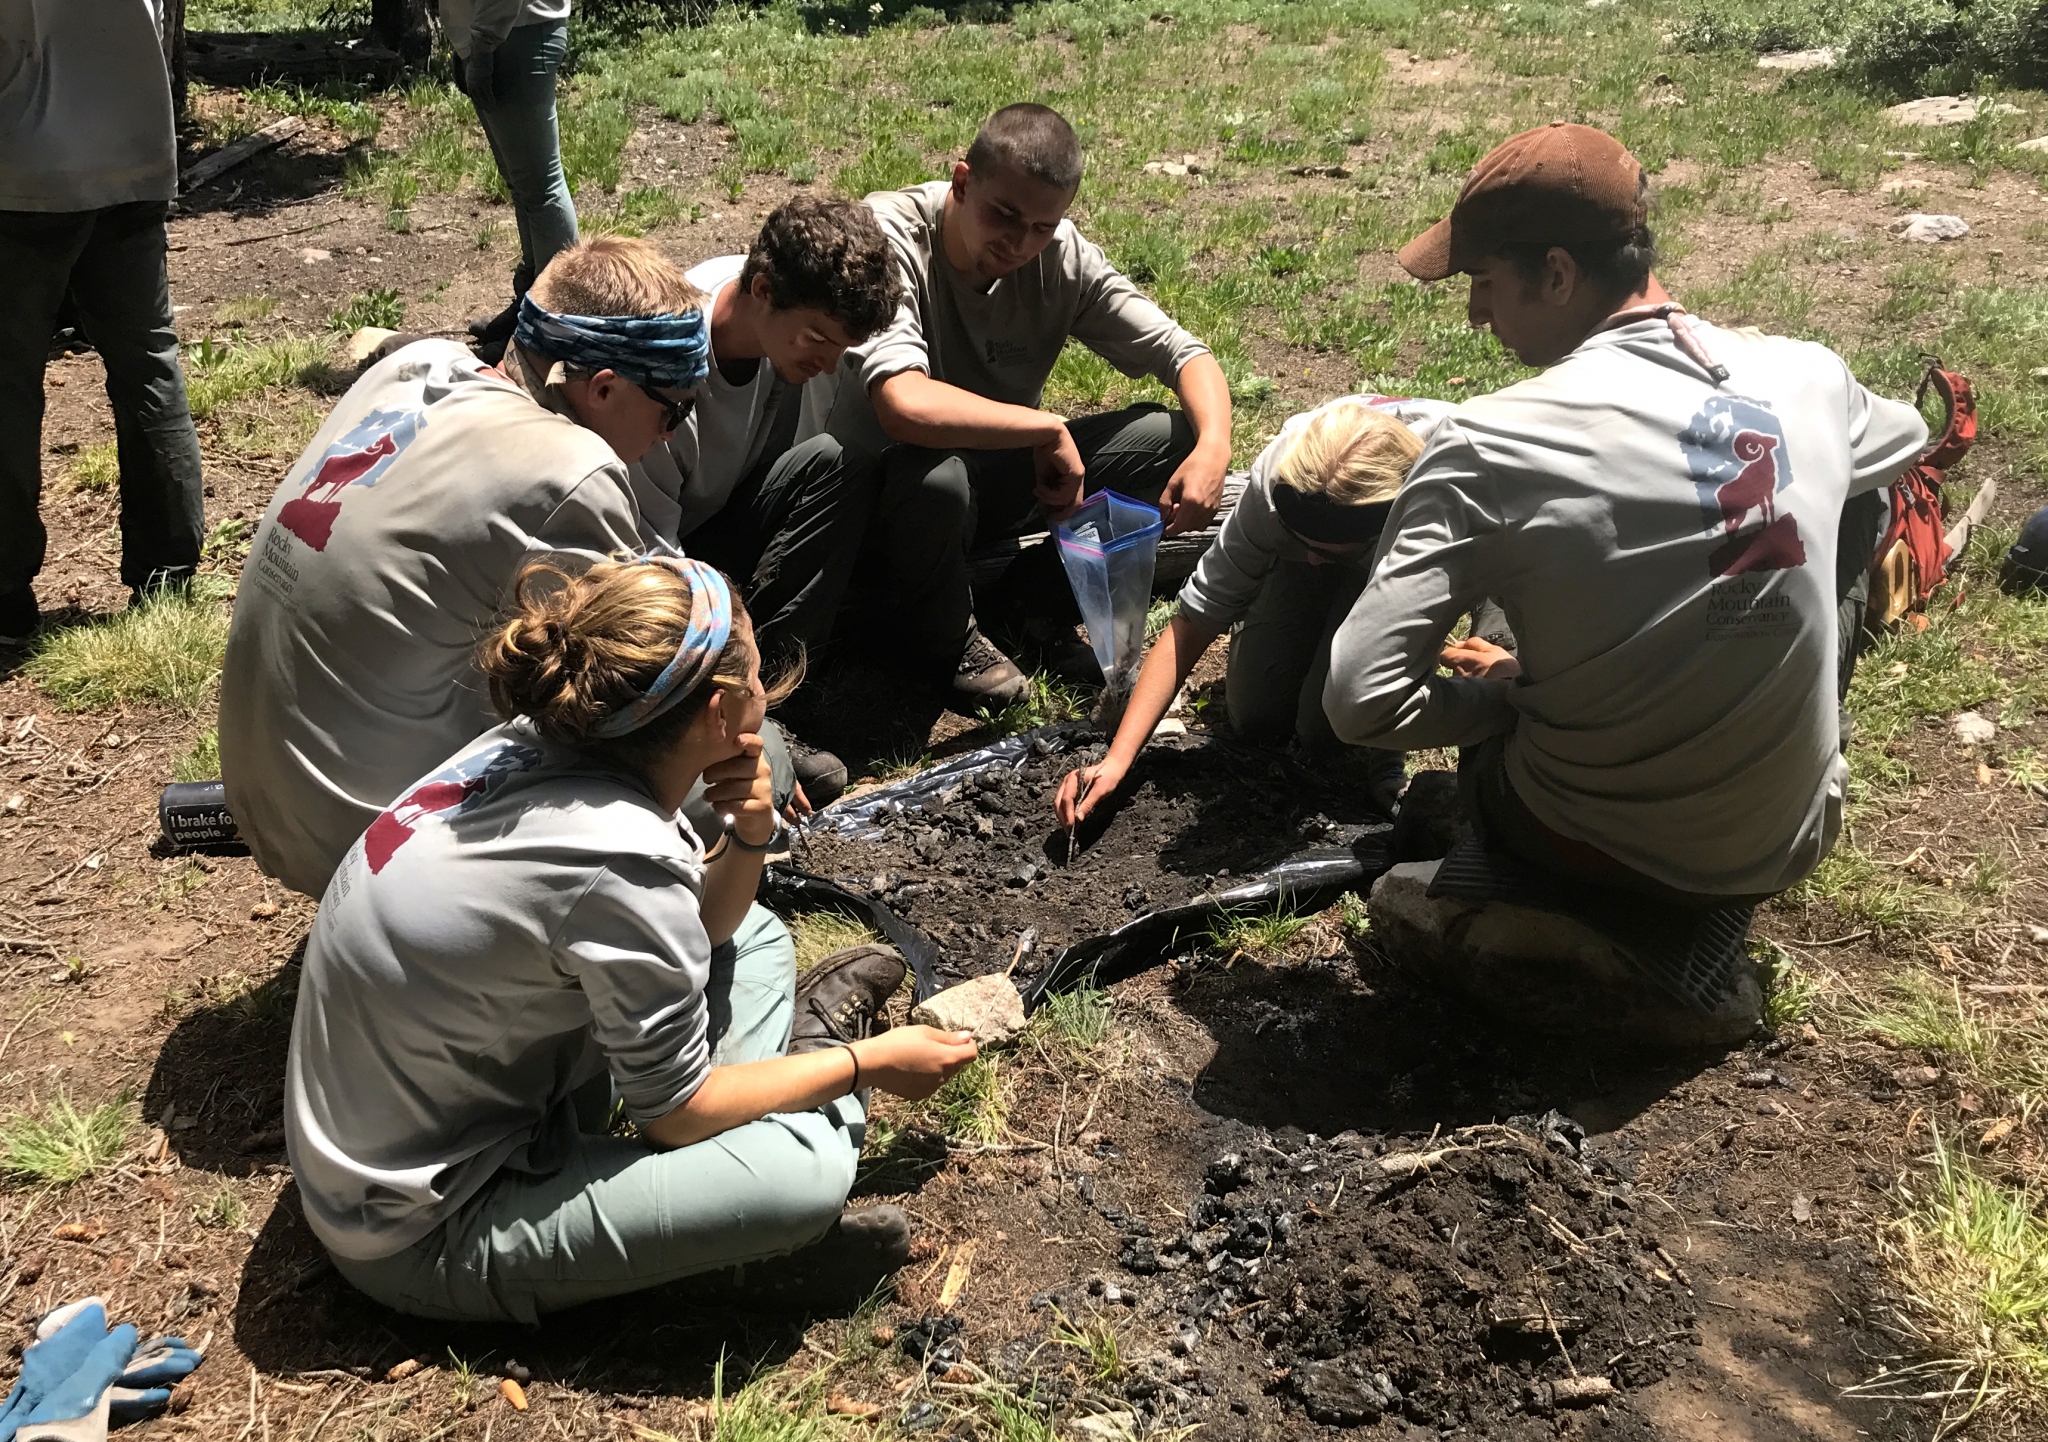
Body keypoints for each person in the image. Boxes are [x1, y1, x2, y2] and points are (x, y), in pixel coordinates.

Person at [287, 554, 980, 1321]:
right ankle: (772, 1155)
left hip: (461, 1096)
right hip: (424, 1223)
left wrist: (749, 835)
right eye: (754, 679)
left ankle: (727, 1162)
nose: (766, 697)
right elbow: (673, 1113)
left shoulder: (545, 737)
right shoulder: (619, 855)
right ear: (719, 717)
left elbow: (707, 927)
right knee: (804, 1175)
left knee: (751, 936)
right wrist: (867, 1065)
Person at [1323, 123, 1931, 905]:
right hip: (1783, 845)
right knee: (1860, 496)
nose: (1475, 313)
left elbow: (1358, 698)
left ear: (1556, 273)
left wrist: (1506, 693)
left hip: (1584, 849)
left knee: (1514, 598)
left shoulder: (1491, 442)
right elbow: (1905, 441)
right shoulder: (1808, 374)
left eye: (1482, 280)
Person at [221, 236, 810, 899]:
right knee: (750, 761)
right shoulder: (568, 471)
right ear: (604, 388)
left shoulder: (417, 364)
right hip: (367, 847)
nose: (671, 434)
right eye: (673, 409)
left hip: (262, 791)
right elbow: (643, 691)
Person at [823, 103, 1234, 707]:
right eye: (1004, 215)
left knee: (1171, 437)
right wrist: (1045, 427)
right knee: (937, 478)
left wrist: (1215, 447)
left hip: (998, 472)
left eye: (1042, 226)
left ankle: (1029, 603)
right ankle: (946, 640)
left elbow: (1180, 351)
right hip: (889, 493)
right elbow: (902, 404)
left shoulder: (1059, 255)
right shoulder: (888, 237)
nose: (1019, 243)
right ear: (962, 182)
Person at [1055, 396, 1452, 827]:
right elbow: (1193, 622)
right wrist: (1117, 761)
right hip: (1300, 557)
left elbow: (1462, 613)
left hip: (1389, 563)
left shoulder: (1443, 495)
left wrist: (1386, 758)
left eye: (1326, 551)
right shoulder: (1281, 478)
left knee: (1332, 729)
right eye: (1304, 541)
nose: (1316, 558)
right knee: (1258, 719)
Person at [635, 197, 907, 797]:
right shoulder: (673, 364)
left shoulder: (783, 334)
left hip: (718, 521)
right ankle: (740, 717)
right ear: (760, 288)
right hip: (655, 560)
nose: (828, 362)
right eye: (818, 340)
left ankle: (779, 691)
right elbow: (644, 553)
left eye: (842, 349)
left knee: (835, 465)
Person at [0, 0, 206, 644]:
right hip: (137, 150)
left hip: (25, 164)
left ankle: (4, 593)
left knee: (7, 382)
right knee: (148, 361)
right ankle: (168, 569)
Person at [444, 0, 579, 363]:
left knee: (541, 188)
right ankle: (530, 305)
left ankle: (555, 327)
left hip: (514, 33)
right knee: (523, 186)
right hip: (499, 32)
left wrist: (484, 45)